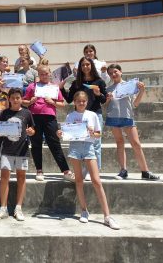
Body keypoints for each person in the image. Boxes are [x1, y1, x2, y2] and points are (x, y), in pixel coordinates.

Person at [57, 91, 120, 230]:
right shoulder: (70, 116)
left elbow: (98, 134)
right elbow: (66, 134)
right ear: (74, 102)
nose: (81, 103)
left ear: (87, 102)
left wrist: (93, 133)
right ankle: (84, 210)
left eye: (83, 101)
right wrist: (60, 133)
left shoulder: (92, 115)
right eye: (78, 101)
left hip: (88, 147)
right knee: (79, 180)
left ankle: (107, 216)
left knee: (96, 181)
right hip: (74, 148)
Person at [105, 64, 161, 181]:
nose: (113, 75)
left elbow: (135, 104)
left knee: (136, 143)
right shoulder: (108, 89)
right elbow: (105, 106)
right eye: (110, 73)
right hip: (113, 117)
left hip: (127, 117)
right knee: (119, 143)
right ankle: (123, 170)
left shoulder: (130, 85)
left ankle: (145, 172)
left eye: (115, 72)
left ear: (121, 72)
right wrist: (107, 99)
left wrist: (142, 90)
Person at [0, 88, 35, 221]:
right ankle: (3, 208)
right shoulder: (4, 113)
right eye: (13, 98)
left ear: (21, 99)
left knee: (21, 177)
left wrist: (32, 132)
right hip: (7, 150)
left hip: (22, 150)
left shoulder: (27, 113)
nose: (15, 100)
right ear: (9, 99)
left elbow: (33, 130)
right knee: (4, 177)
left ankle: (18, 208)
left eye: (18, 97)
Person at [23, 65, 75, 182]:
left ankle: (66, 171)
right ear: (38, 75)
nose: (44, 76)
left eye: (46, 73)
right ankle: (39, 170)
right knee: (36, 144)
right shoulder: (32, 86)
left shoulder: (54, 87)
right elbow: (24, 102)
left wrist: (52, 102)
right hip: (34, 117)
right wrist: (30, 101)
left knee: (54, 143)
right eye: (41, 74)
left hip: (50, 118)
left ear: (50, 73)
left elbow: (62, 104)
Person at [60, 57, 107, 180]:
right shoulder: (77, 83)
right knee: (80, 143)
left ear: (91, 65)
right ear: (80, 67)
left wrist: (99, 94)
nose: (85, 67)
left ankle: (95, 172)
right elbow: (70, 99)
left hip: (95, 114)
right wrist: (61, 88)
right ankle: (84, 172)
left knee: (96, 144)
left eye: (88, 64)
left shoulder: (99, 81)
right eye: (83, 65)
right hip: (79, 117)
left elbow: (104, 99)